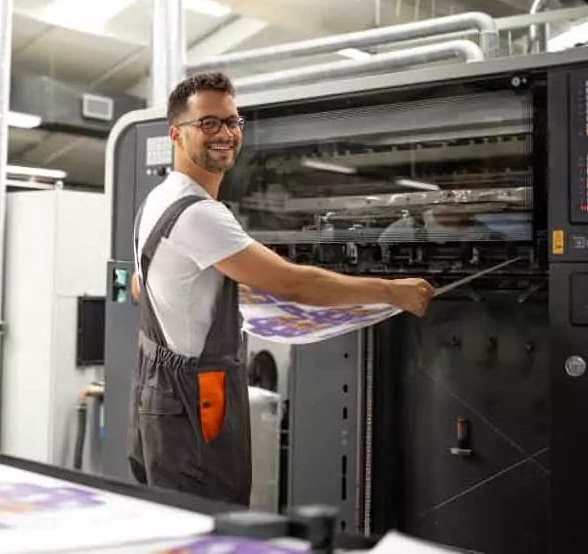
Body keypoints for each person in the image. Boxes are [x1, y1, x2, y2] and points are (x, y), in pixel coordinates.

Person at [128, 72, 434, 506]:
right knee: (210, 518)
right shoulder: (200, 214)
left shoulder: (156, 200)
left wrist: (227, 281)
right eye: (209, 124)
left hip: (157, 396)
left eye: (233, 122)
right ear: (176, 134)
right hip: (197, 400)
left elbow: (143, 286)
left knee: (177, 517)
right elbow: (294, 283)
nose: (226, 134)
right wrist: (392, 291)